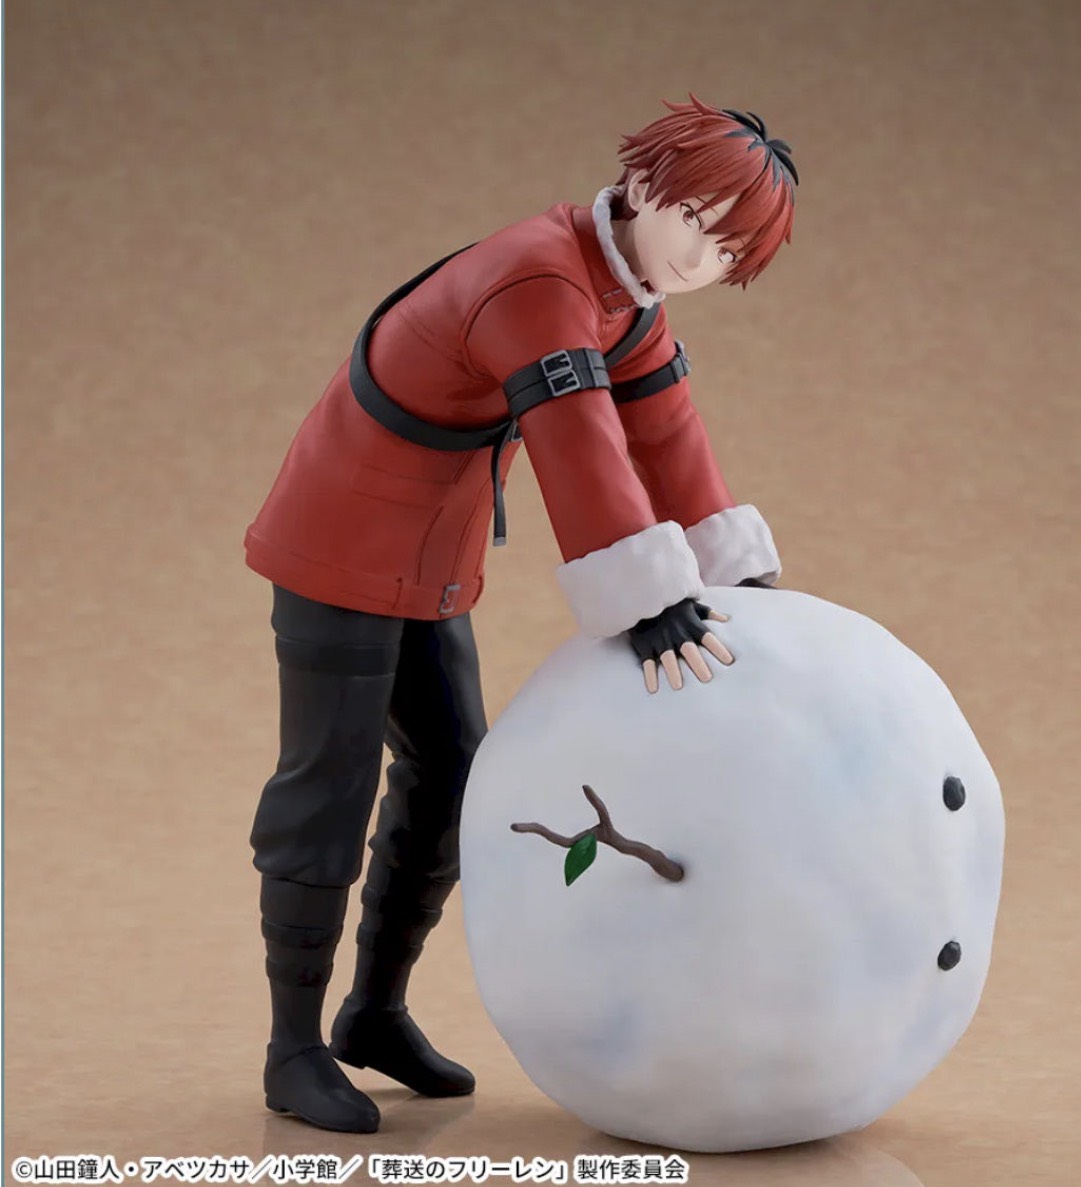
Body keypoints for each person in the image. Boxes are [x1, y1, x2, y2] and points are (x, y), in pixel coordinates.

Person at [244, 95, 797, 1134]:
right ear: (643, 186)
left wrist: (734, 578)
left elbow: (666, 433)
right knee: (328, 788)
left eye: (728, 250)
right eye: (696, 221)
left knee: (455, 772)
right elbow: (576, 440)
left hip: (430, 554)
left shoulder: (627, 298)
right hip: (340, 538)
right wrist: (648, 597)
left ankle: (373, 1011)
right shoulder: (543, 279)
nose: (700, 258)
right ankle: (292, 1046)